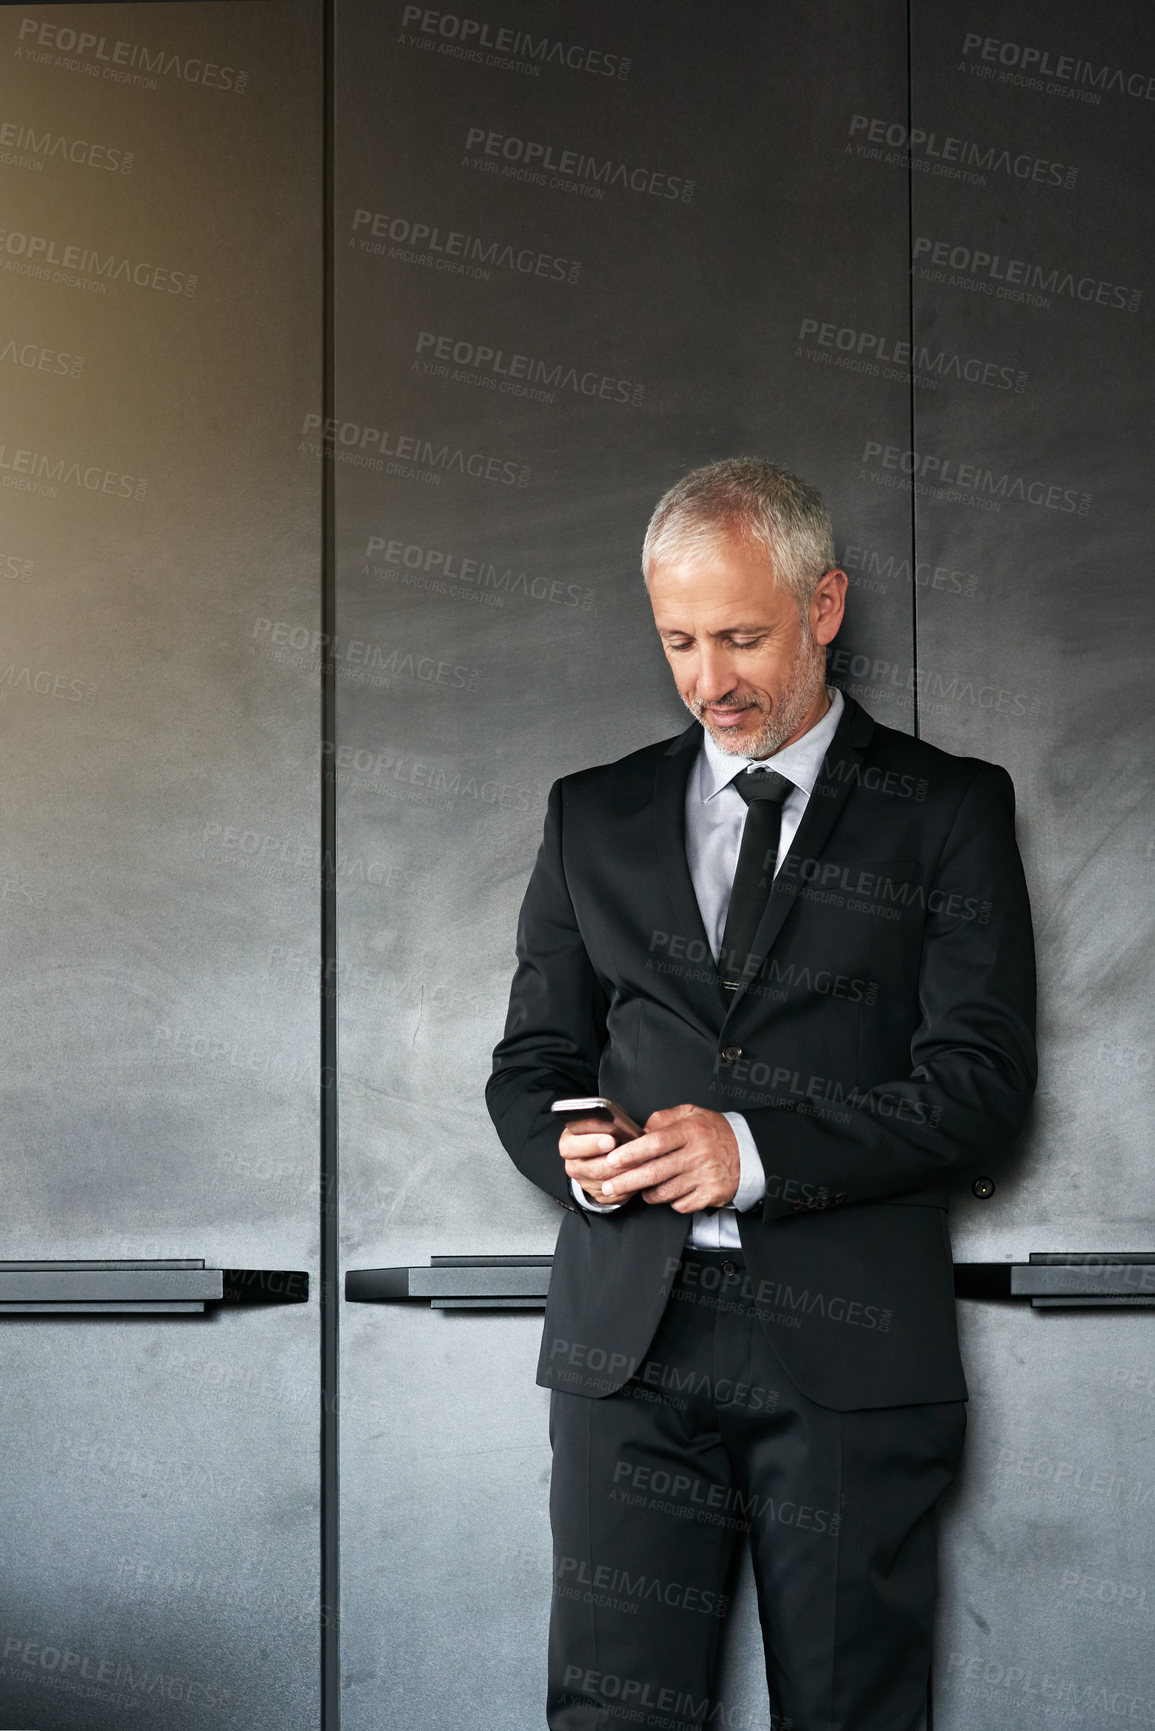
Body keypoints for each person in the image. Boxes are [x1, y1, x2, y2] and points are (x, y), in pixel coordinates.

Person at [486, 459, 1036, 1731]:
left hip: (849, 1350)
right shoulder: (592, 816)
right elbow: (534, 1068)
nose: (708, 680)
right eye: (678, 640)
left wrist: (752, 1149)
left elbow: (982, 1085)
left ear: (825, 606)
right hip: (627, 1345)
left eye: (741, 636)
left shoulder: (950, 810)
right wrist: (583, 1150)